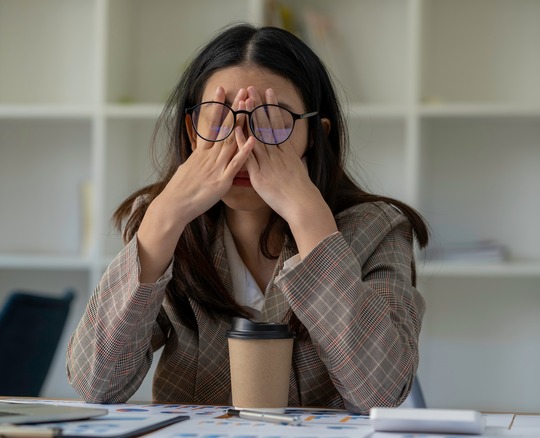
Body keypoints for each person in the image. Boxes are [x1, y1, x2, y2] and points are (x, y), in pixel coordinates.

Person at [66, 23, 428, 413]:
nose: (243, 143)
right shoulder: (166, 226)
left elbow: (381, 393)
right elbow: (96, 384)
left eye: (271, 120)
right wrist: (163, 218)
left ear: (316, 135)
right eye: (219, 118)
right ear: (192, 132)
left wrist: (311, 221)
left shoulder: (378, 228)